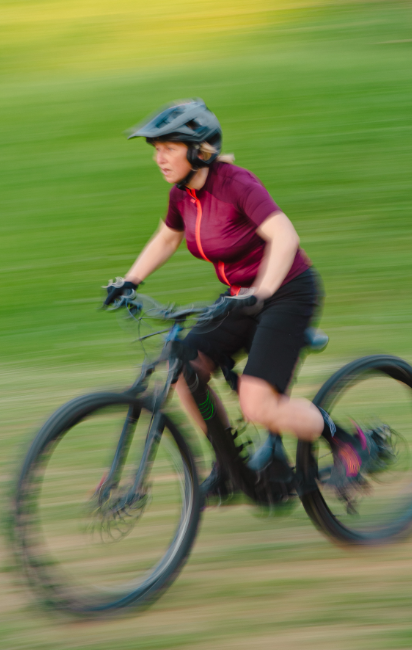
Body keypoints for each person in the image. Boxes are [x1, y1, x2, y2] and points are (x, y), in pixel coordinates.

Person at [104, 99, 379, 499]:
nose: (159, 158)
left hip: (286, 292)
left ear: (198, 150)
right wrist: (129, 280)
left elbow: (285, 237)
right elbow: (168, 236)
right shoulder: (182, 194)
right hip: (240, 297)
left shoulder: (236, 184)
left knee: (257, 404)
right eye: (156, 150)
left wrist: (262, 292)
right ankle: (229, 463)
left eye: (168, 148)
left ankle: (350, 443)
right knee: (185, 368)